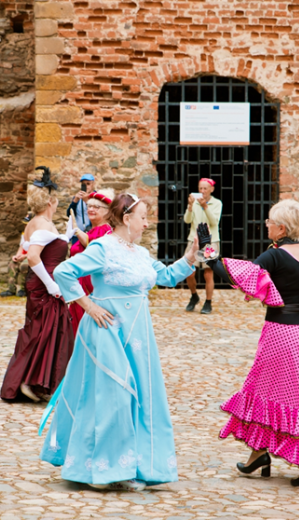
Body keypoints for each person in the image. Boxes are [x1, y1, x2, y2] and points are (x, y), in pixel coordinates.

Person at [40, 193, 198, 491]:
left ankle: (131, 464)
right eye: (143, 217)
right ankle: (102, 467)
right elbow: (64, 271)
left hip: (138, 335)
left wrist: (189, 258)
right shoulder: (103, 248)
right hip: (106, 332)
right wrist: (88, 305)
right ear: (127, 218)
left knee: (139, 397)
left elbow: (163, 276)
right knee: (113, 396)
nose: (147, 223)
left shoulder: (139, 253)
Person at [200, 199, 299, 491]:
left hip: (282, 333)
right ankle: (261, 455)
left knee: (284, 395)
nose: (266, 225)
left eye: (270, 221)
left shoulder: (274, 256)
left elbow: (234, 277)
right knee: (283, 392)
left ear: (282, 227)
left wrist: (208, 252)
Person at [0, 168, 75, 402]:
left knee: (43, 331)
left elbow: (30, 250)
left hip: (42, 282)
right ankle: (29, 381)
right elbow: (34, 256)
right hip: (46, 286)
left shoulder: (36, 222)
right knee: (44, 332)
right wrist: (52, 286)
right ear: (51, 202)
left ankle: (34, 382)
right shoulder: (43, 224)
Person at [67, 188, 114, 336]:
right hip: (79, 287)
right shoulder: (91, 230)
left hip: (91, 288)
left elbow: (92, 246)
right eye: (89, 206)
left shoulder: (105, 230)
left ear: (107, 211)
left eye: (96, 207)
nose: (91, 209)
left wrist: (76, 230)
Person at [183, 178, 222, 314]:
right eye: (201, 188)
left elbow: (214, 222)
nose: (203, 191)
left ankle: (208, 302)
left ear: (211, 189)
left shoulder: (217, 203)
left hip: (210, 242)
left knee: (208, 273)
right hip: (194, 240)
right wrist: (189, 206)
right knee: (188, 271)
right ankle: (194, 296)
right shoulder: (194, 203)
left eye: (205, 189)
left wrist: (205, 206)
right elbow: (187, 220)